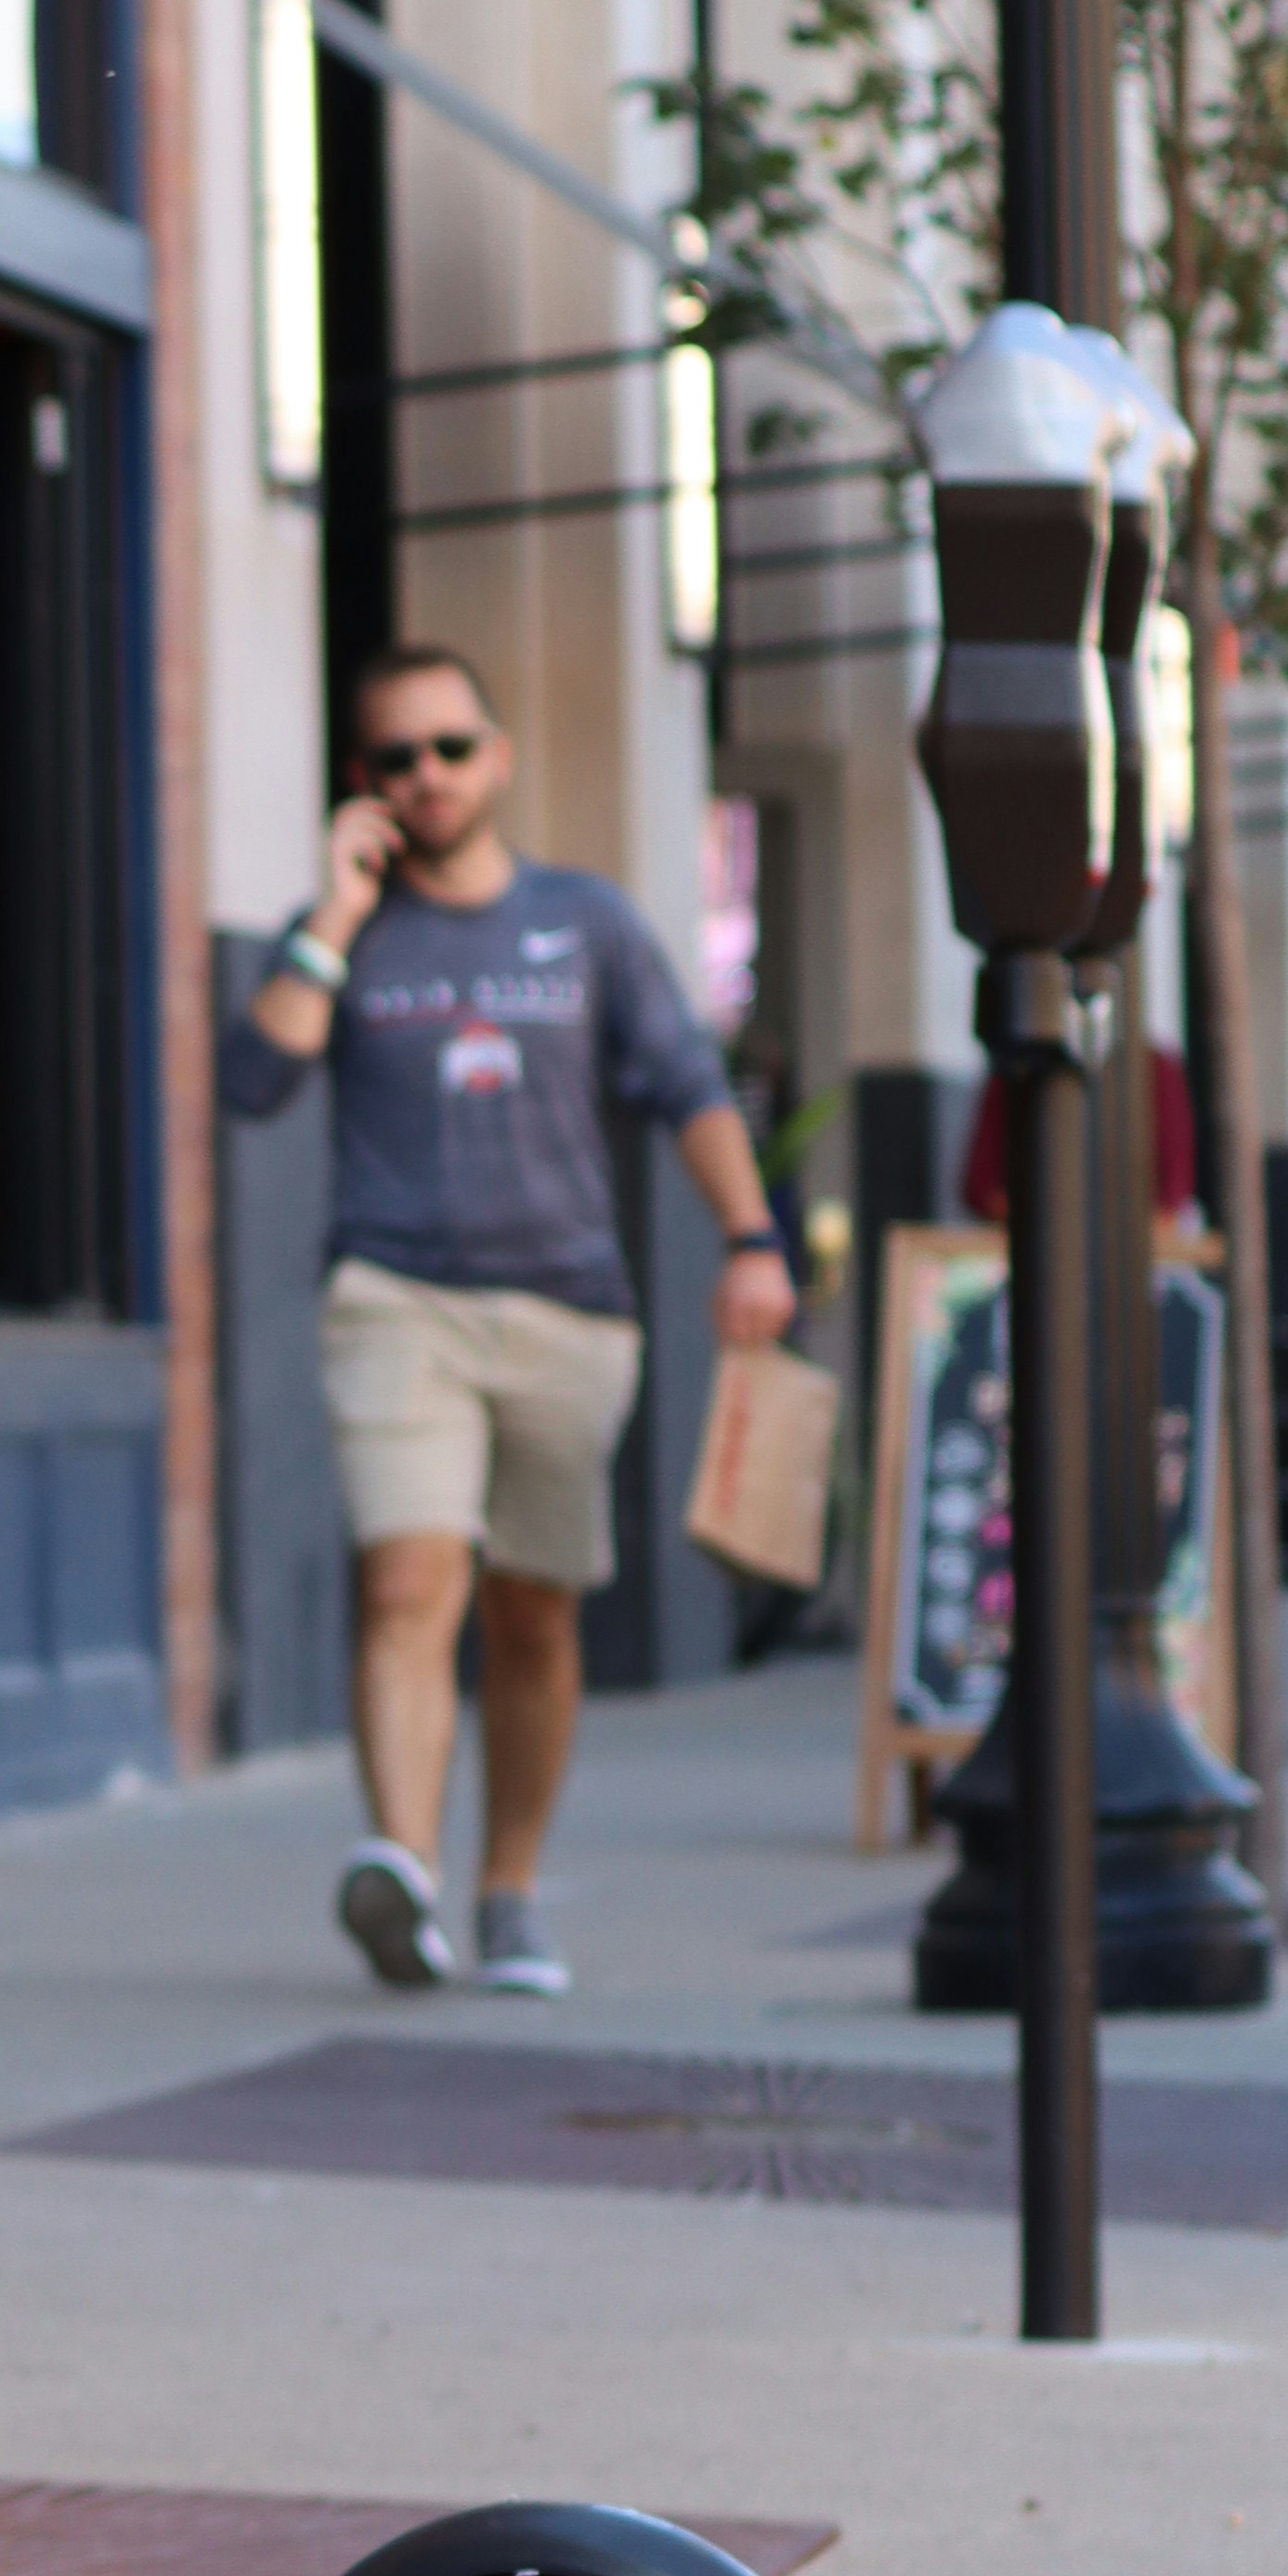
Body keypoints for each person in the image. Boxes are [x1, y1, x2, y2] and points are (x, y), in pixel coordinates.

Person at [220, 643, 798, 1997]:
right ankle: (403, 1869)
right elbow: (254, 1080)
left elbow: (687, 1084)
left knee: (534, 1615)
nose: (426, 777)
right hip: (395, 1296)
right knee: (410, 1579)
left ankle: (511, 1889)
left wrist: (754, 1239)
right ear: (366, 782)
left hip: (567, 1307)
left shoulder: (585, 921)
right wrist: (331, 913)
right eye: (396, 759)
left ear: (499, 755)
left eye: (449, 748)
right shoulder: (353, 935)